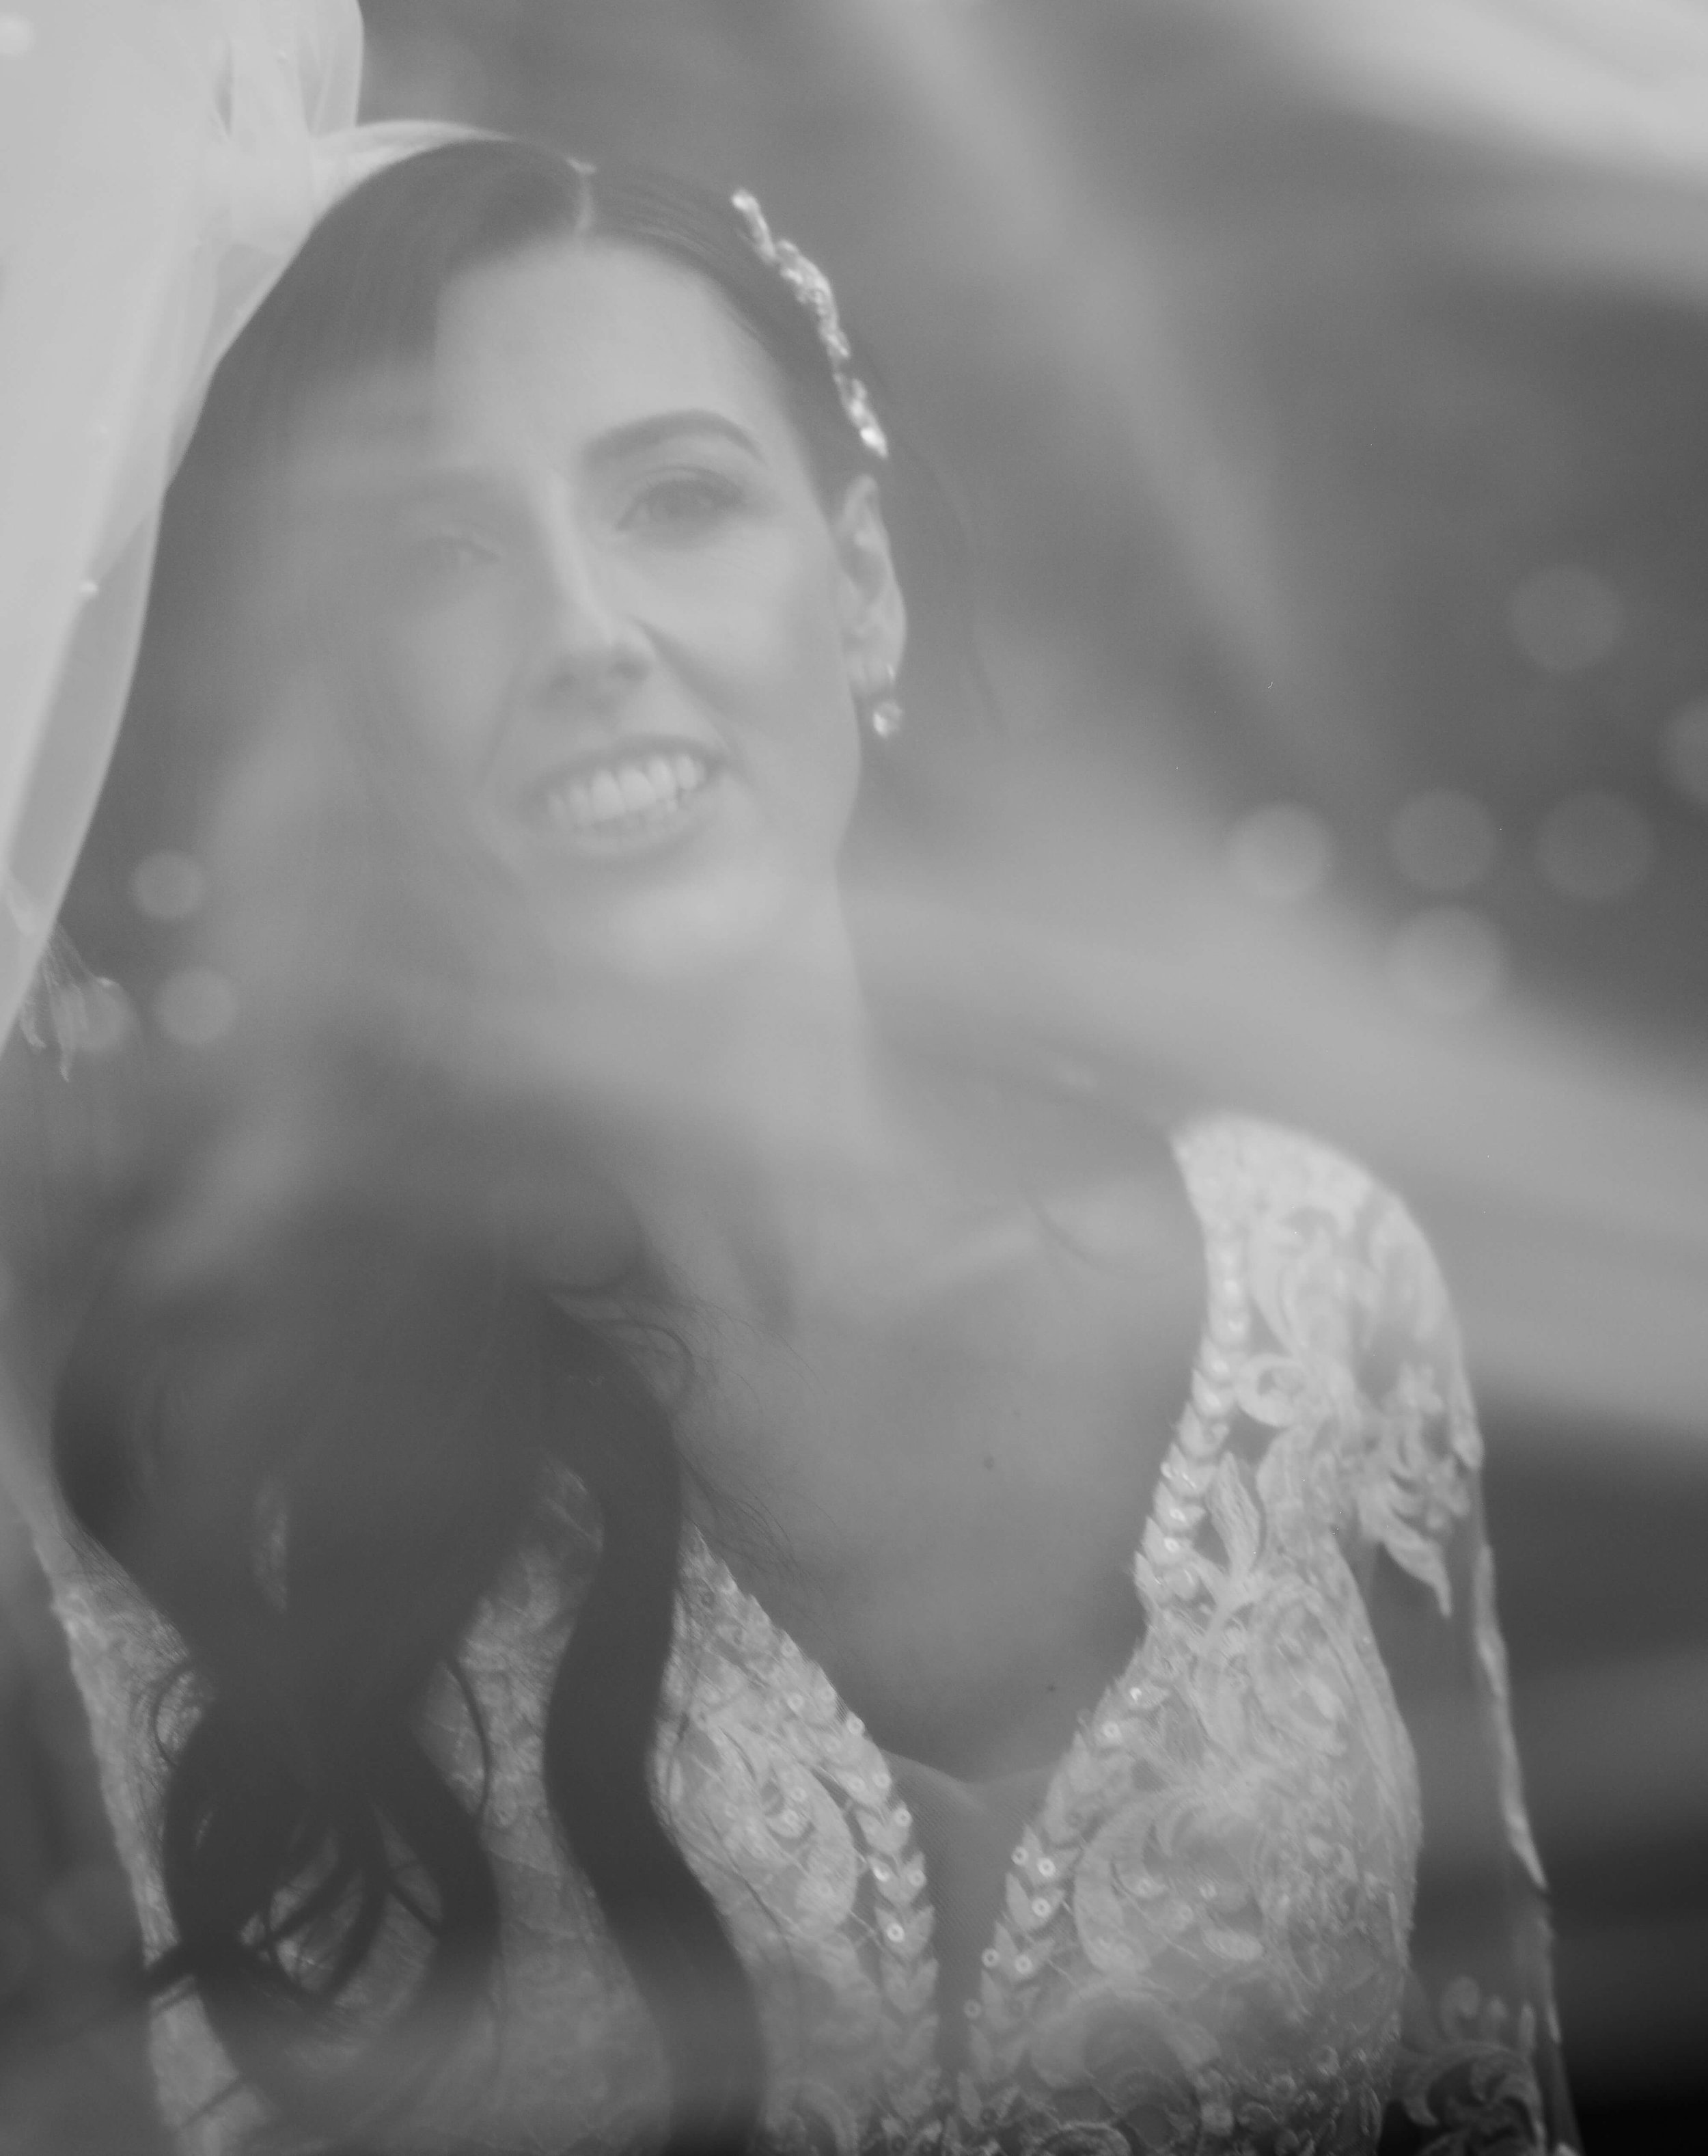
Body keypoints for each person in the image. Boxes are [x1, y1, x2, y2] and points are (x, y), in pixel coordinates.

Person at [9, 133, 1575, 2156]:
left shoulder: (1315, 1274)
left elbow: (1491, 2088)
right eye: (438, 558)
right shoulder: (220, 1458)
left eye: (676, 500)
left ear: (855, 588)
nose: (587, 631)